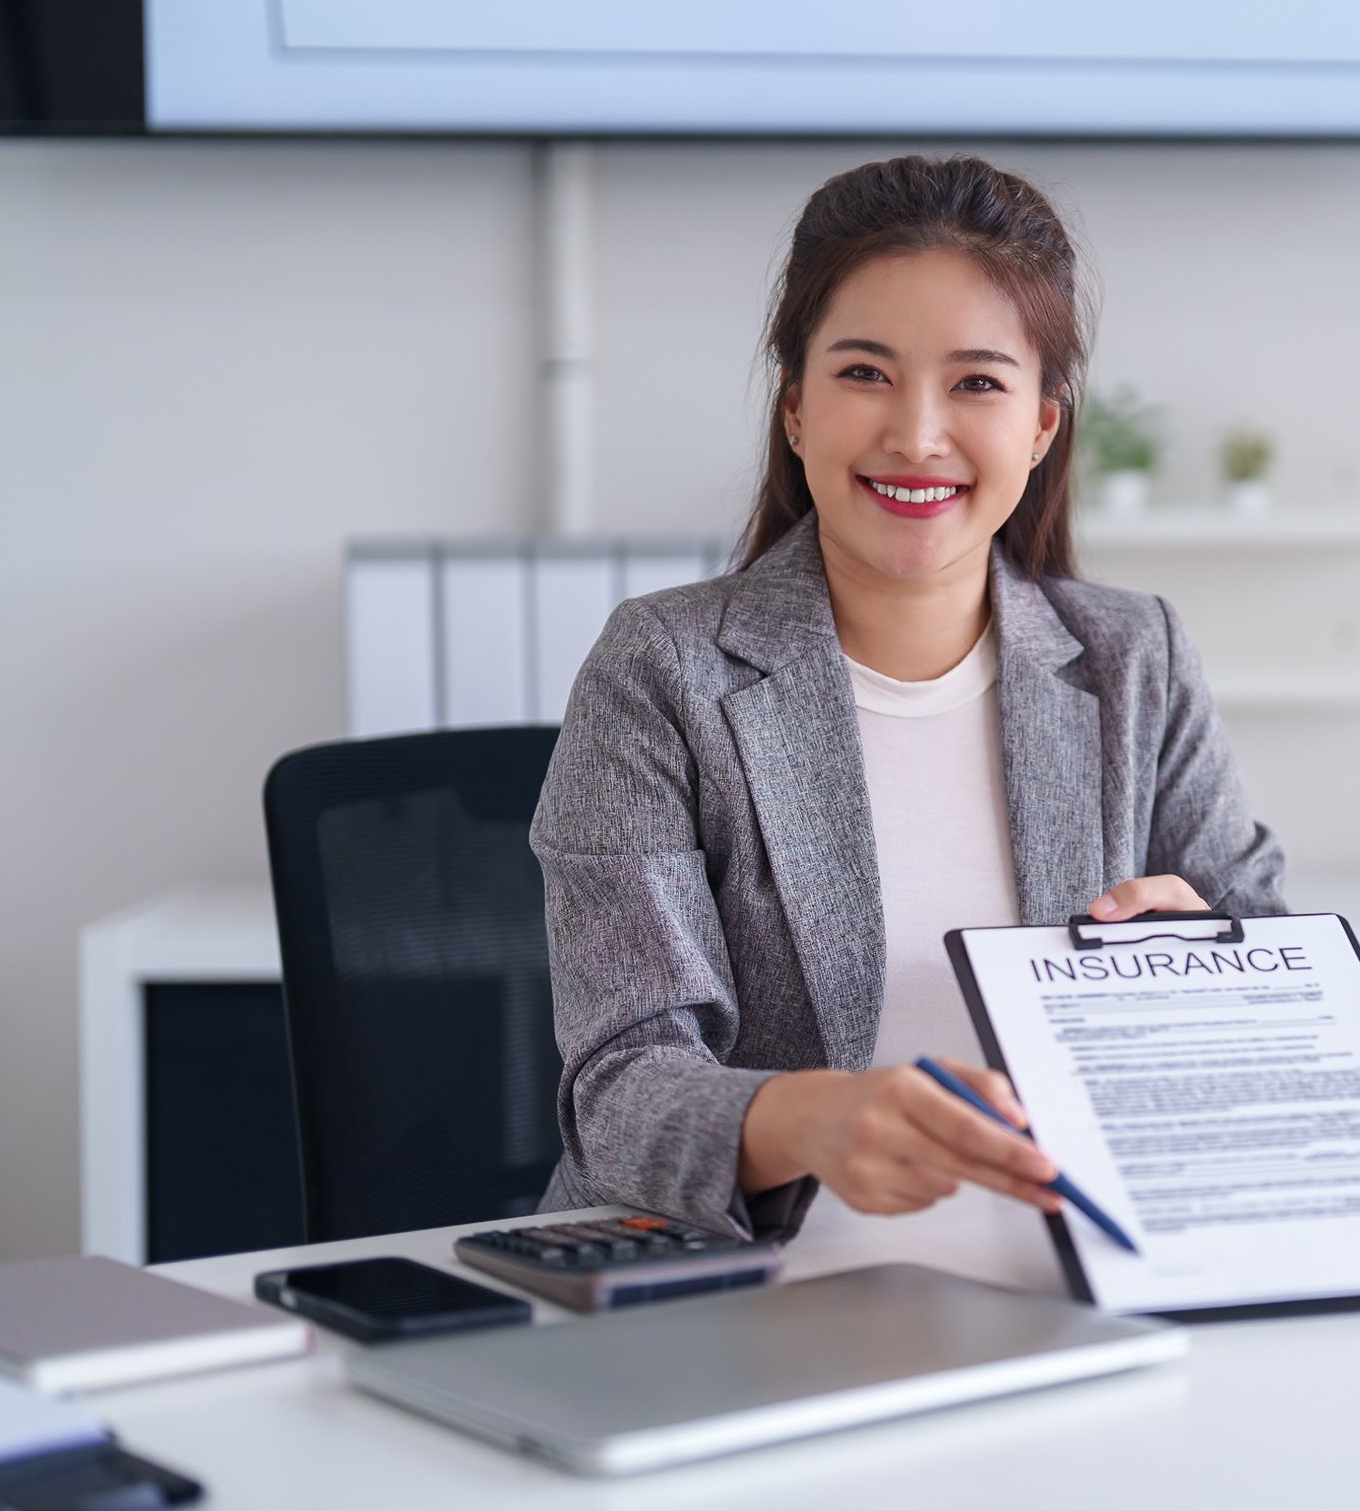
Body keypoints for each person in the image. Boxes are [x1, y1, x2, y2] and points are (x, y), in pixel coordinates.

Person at [532, 154, 1286, 1290]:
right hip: (749, 1299)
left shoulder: (1137, 659)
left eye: (976, 384)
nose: (918, 435)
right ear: (796, 408)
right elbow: (623, 1091)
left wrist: (1219, 967)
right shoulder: (663, 670)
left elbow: (1295, 1019)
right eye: (866, 373)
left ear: (1040, 426)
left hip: (1085, 1288)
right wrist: (814, 1119)